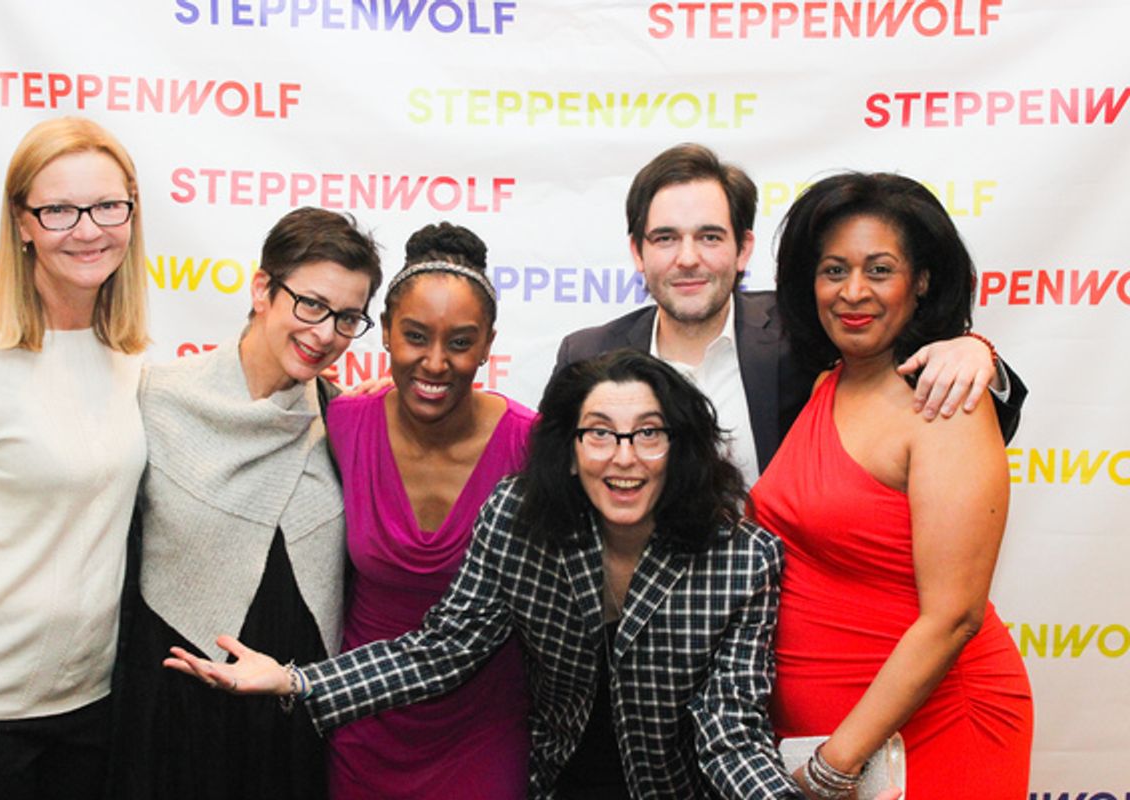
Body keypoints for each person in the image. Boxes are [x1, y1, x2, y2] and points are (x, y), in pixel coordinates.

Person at [165, 348, 809, 800]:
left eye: (648, 434)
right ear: (569, 450)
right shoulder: (519, 518)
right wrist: (295, 679)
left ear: (679, 447)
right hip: (554, 784)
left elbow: (729, 729)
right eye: (599, 434)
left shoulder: (742, 559)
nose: (624, 458)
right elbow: (444, 649)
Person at [751, 173, 1033, 797]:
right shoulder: (828, 381)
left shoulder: (945, 403)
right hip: (830, 738)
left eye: (879, 270)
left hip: (933, 731)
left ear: (922, 280)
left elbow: (953, 617)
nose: (853, 292)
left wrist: (835, 764)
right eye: (833, 270)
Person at [554, 143, 1026, 484]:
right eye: (666, 238)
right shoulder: (589, 355)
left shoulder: (803, 329)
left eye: (710, 237)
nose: (688, 258)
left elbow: (947, 420)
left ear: (744, 249)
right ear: (637, 252)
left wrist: (974, 350)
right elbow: (556, 484)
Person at [113, 207, 382, 799]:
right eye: (310, 304)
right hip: (173, 717)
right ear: (262, 289)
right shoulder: (158, 398)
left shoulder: (343, 420)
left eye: (347, 318)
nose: (325, 334)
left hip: (289, 722)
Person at [0, 116, 149, 800]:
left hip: (89, 705)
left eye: (107, 206)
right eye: (59, 210)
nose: (88, 230)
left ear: (131, 213)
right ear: (22, 223)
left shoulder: (128, 355)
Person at [323, 222, 532, 798]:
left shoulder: (531, 445)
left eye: (460, 343)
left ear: (488, 344)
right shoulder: (341, 426)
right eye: (415, 336)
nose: (435, 363)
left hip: (486, 728)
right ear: (386, 332)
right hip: (364, 716)